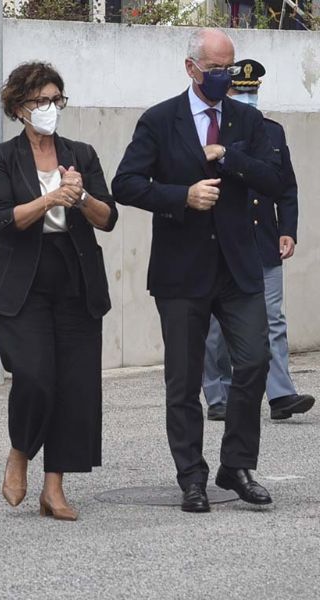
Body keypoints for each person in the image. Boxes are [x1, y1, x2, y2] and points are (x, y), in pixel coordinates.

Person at [112, 28, 282, 513]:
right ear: (191, 69)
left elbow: (275, 178)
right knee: (183, 381)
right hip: (181, 270)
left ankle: (236, 465)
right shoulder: (160, 120)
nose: (224, 77)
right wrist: (180, 197)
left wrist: (231, 157)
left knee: (252, 362)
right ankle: (191, 476)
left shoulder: (248, 120)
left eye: (230, 67)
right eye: (215, 70)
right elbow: (127, 183)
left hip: (237, 267)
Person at [0, 62, 118, 521]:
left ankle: (54, 487)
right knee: (36, 377)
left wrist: (80, 197)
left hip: (76, 277)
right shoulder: (2, 157)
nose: (50, 108)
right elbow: (1, 218)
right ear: (20, 107)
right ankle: (20, 451)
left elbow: (108, 217)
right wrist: (50, 199)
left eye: (56, 100)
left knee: (75, 385)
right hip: (24, 281)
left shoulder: (80, 152)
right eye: (41, 101)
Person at [203, 59, 315, 422]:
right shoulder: (213, 131)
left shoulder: (272, 132)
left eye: (254, 91)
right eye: (241, 91)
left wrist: (288, 229)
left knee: (273, 320)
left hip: (264, 240)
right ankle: (219, 394)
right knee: (218, 326)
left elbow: (286, 186)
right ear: (227, 92)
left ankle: (281, 394)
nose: (248, 97)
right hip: (224, 242)